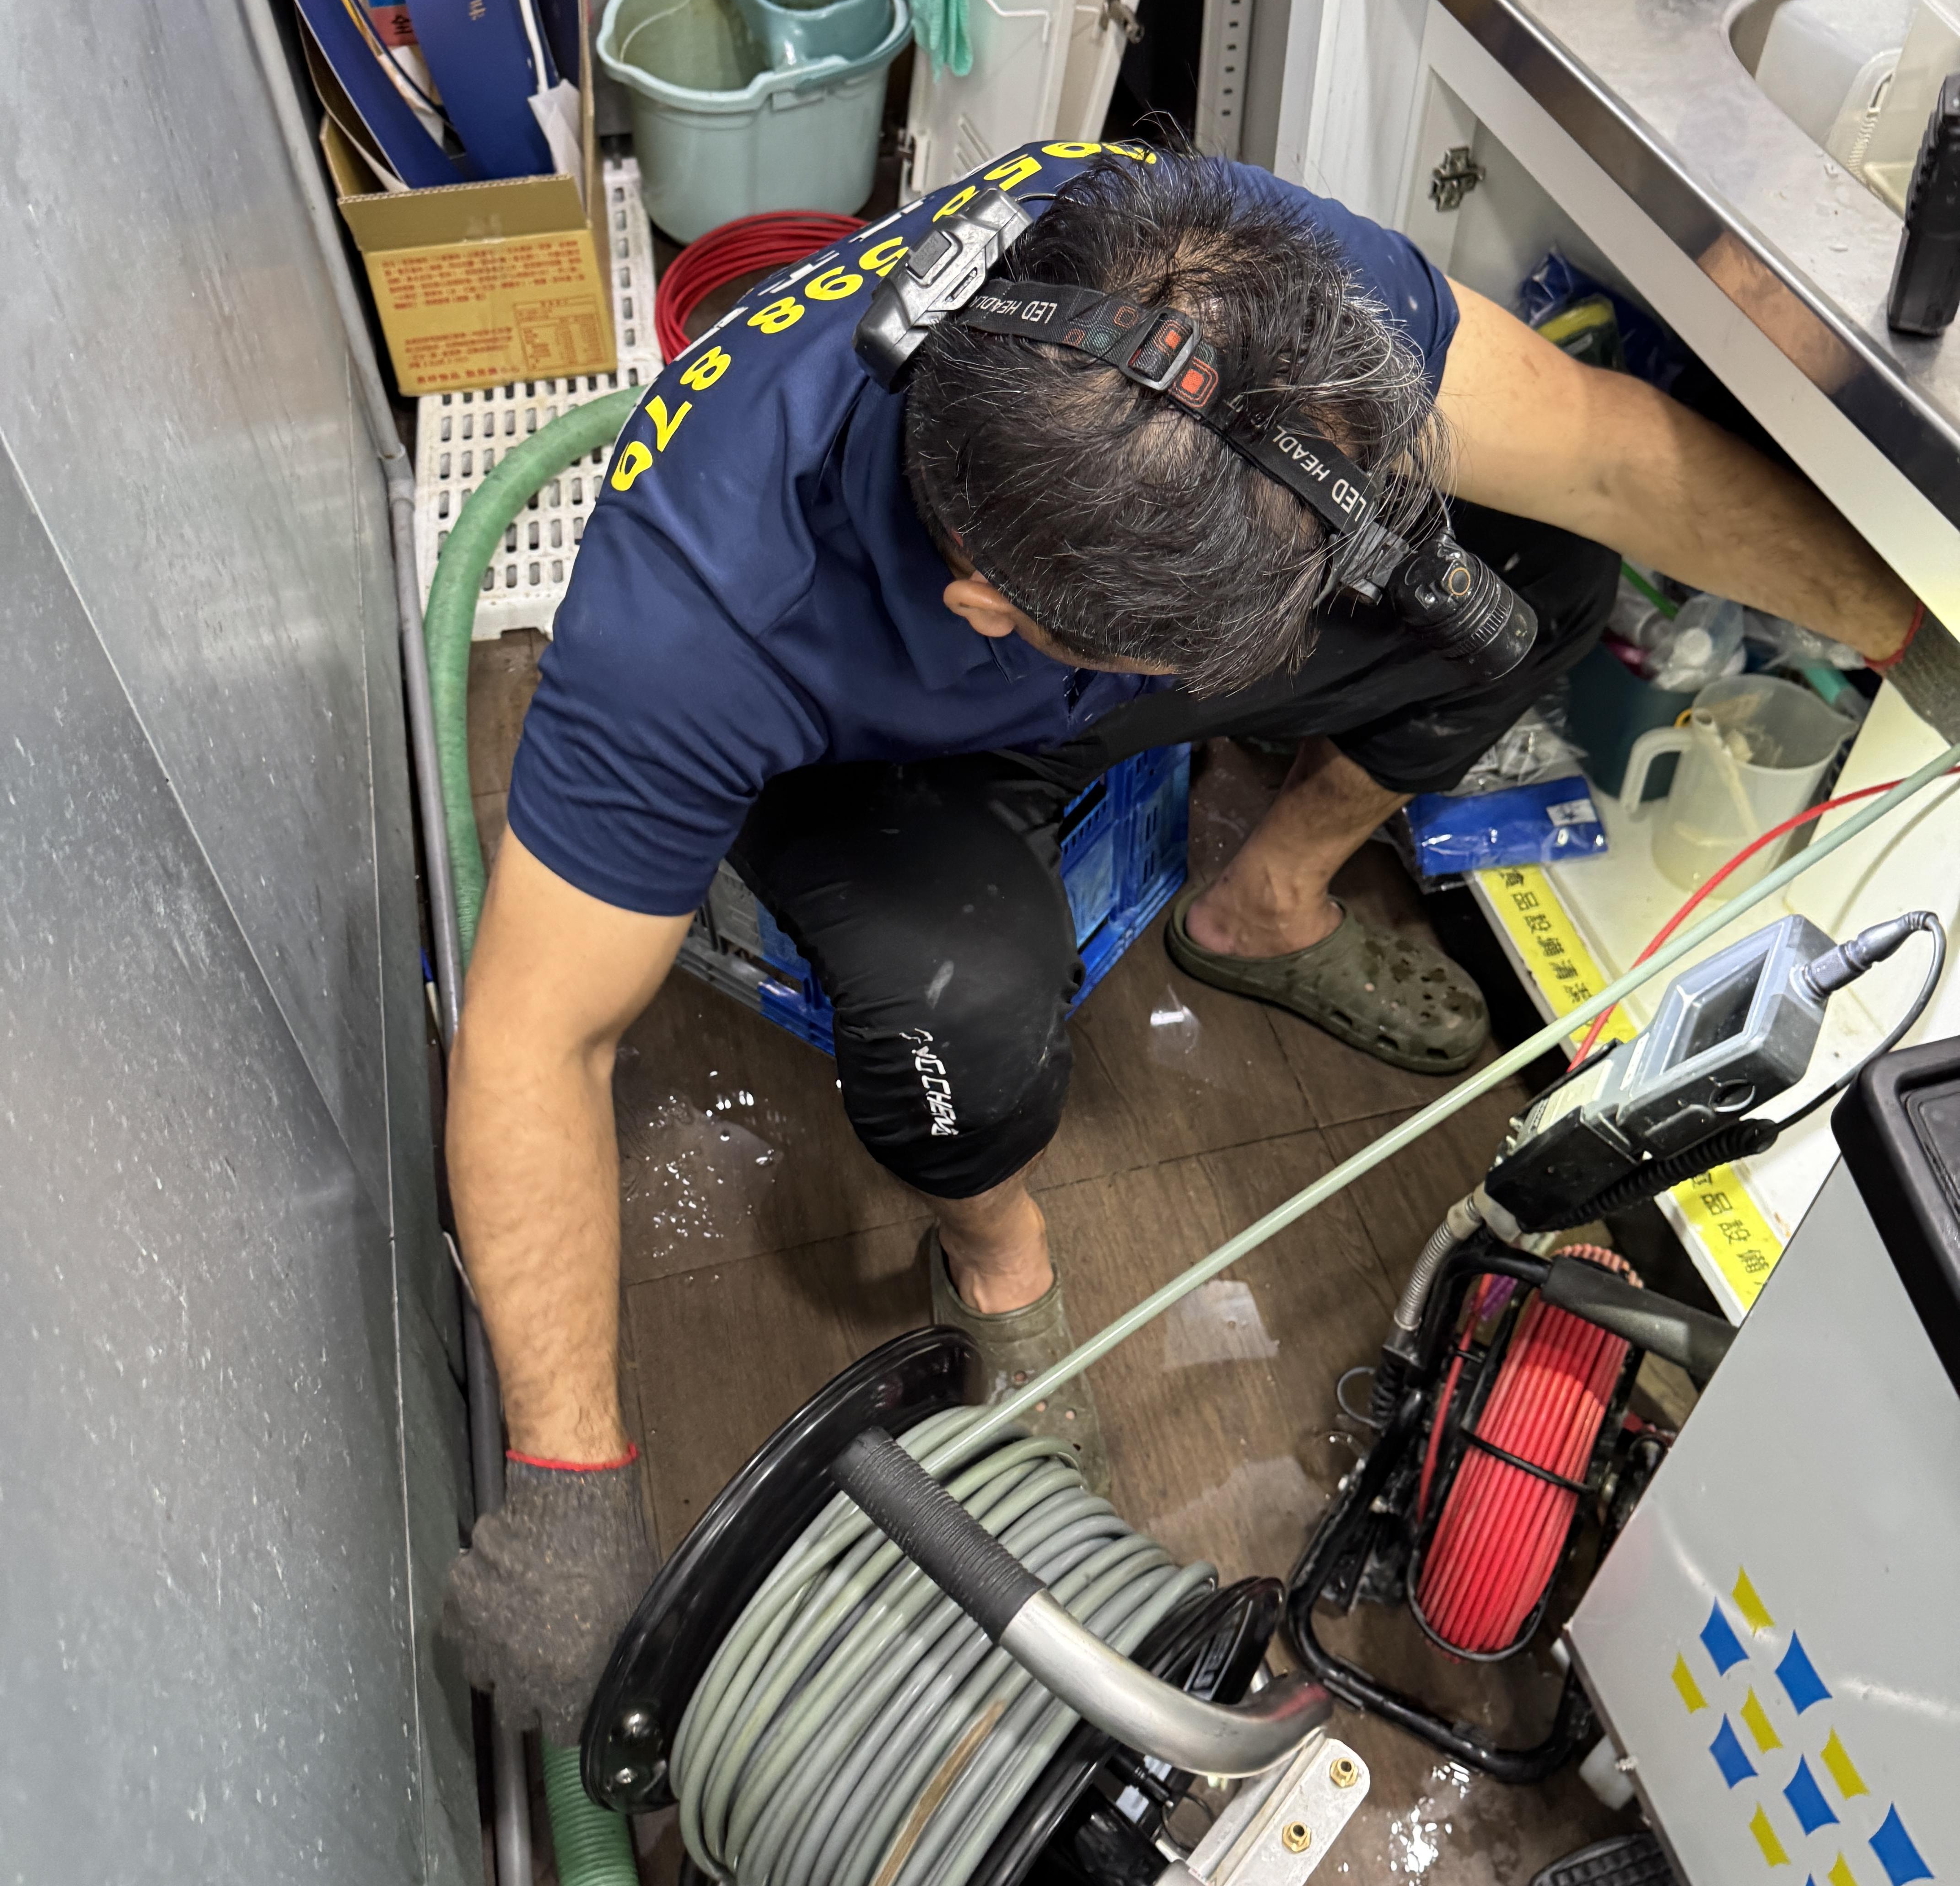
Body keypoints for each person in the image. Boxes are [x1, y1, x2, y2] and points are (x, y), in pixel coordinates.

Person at [440, 135, 1957, 1743]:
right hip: (864, 754)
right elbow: (543, 1034)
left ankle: (1263, 904)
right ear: (991, 616)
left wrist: (1914, 628)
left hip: (1099, 610)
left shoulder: (1237, 280)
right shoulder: (692, 617)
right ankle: (995, 1259)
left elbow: (1598, 462)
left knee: (1538, 575)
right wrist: (569, 1478)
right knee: (960, 1023)